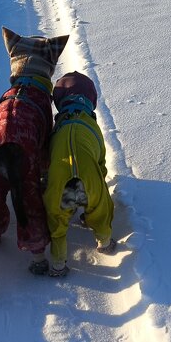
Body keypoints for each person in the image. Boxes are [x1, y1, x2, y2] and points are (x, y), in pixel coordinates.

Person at [43, 72, 116, 277]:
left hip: (62, 178)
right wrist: (98, 180)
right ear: (91, 100)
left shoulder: (57, 129)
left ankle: (58, 262)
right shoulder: (92, 127)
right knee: (100, 206)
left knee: (57, 217)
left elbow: (48, 161)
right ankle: (104, 241)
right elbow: (100, 165)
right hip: (88, 178)